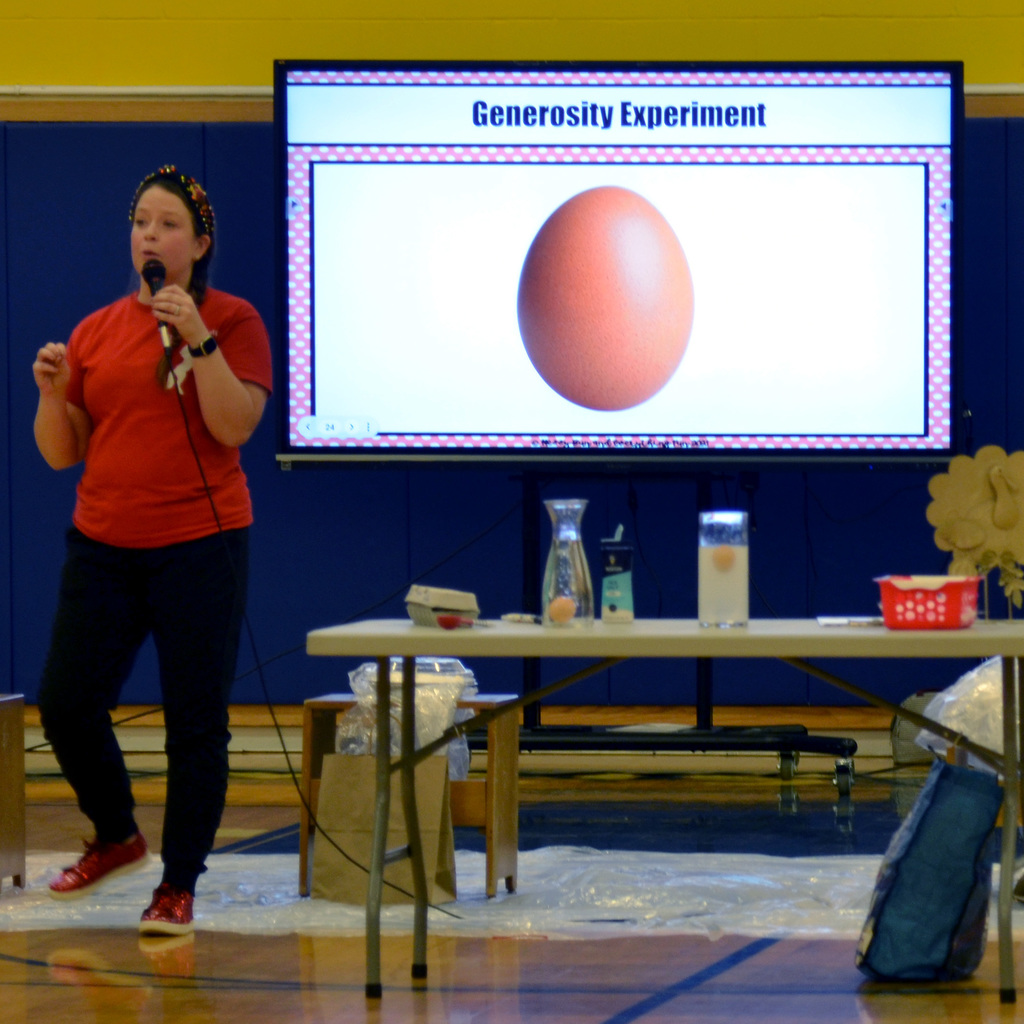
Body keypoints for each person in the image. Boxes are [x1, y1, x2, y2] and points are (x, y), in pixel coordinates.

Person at [32, 164, 273, 936]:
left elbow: (234, 427)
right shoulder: (96, 329)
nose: (150, 235)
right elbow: (61, 453)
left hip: (200, 545)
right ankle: (116, 834)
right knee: (68, 706)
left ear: (199, 244)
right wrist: (49, 393)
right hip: (103, 543)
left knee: (194, 723)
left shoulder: (233, 321)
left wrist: (198, 339)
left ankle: (177, 882)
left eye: (168, 224)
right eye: (141, 221)